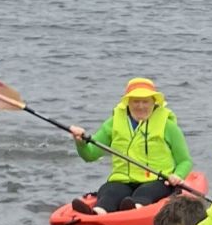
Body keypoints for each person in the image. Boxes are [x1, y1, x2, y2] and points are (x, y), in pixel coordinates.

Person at [67, 76, 191, 213]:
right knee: (109, 191)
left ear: (154, 102)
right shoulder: (113, 123)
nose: (140, 106)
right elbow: (90, 155)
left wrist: (178, 175)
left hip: (158, 180)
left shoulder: (168, 126)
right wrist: (80, 143)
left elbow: (185, 161)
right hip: (122, 180)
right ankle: (97, 213)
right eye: (135, 101)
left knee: (144, 193)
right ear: (128, 102)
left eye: (145, 101)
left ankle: (133, 209)